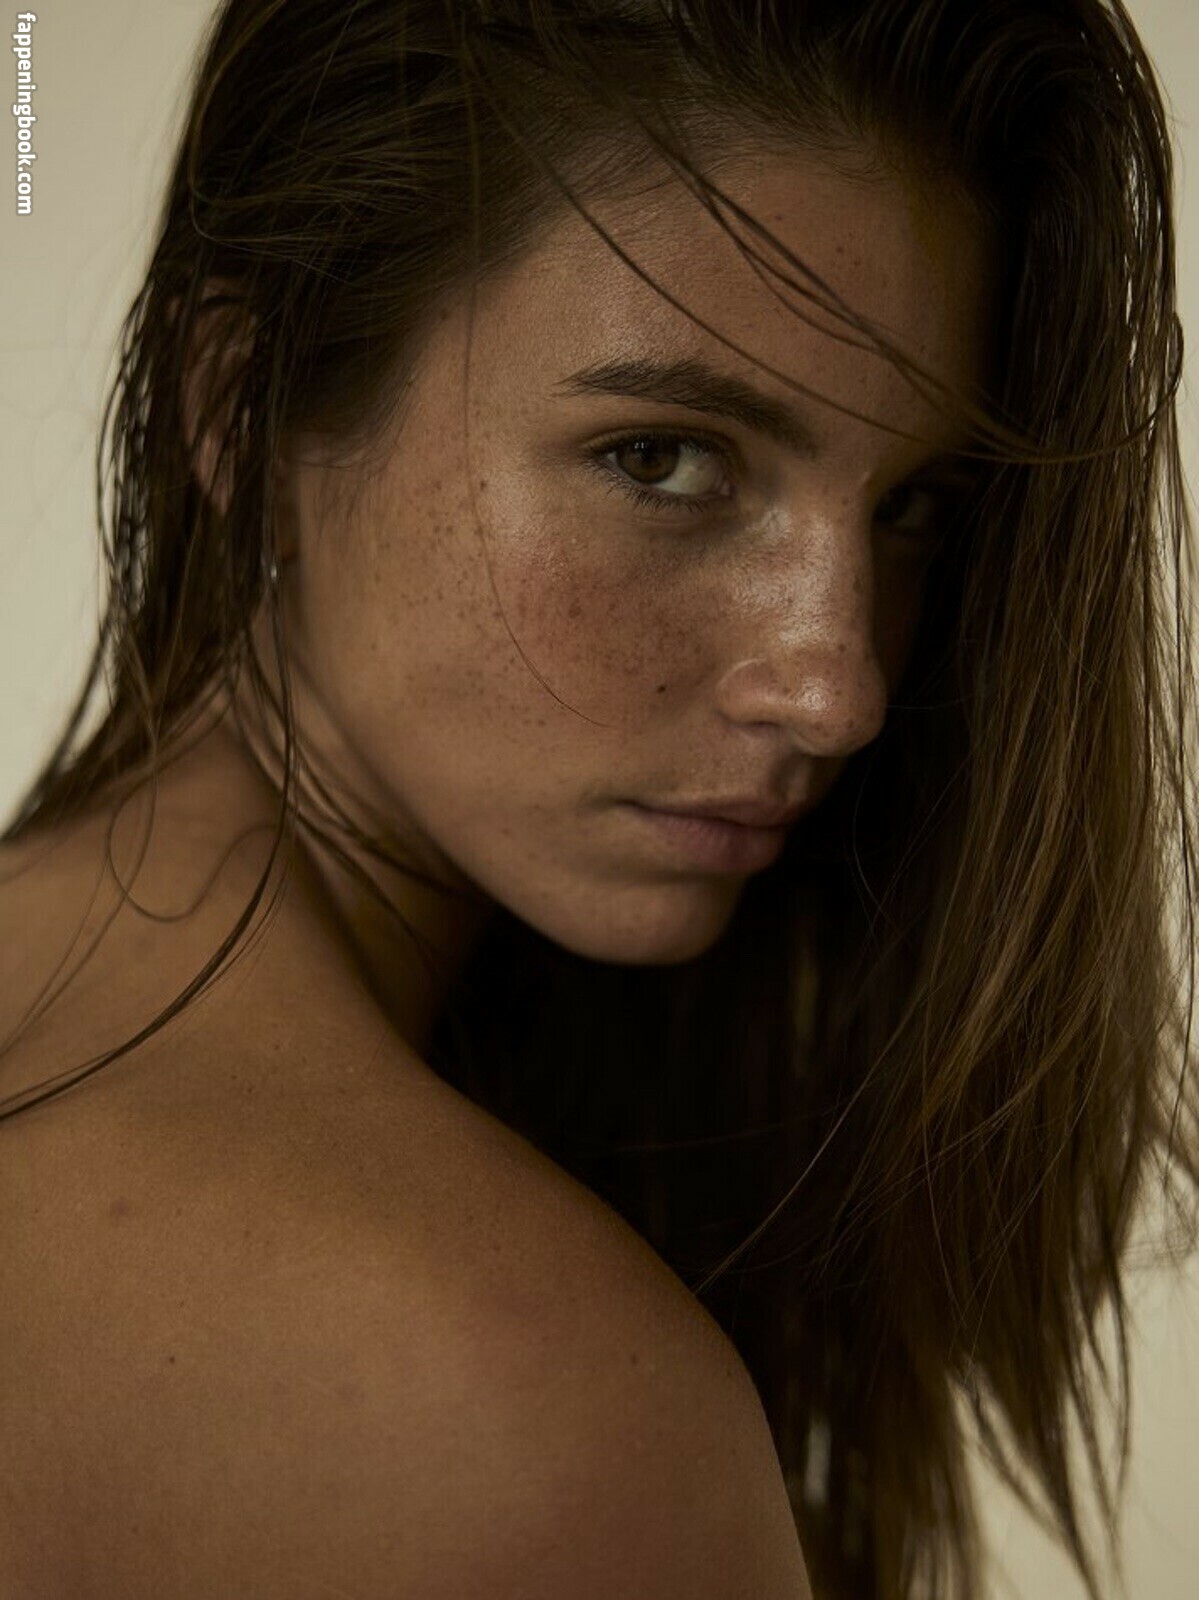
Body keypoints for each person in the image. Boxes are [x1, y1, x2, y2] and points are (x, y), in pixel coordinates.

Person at [0, 1, 1195, 1595]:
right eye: (661, 460)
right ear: (243, 404)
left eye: (914, 506)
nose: (840, 687)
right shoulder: (527, 1413)